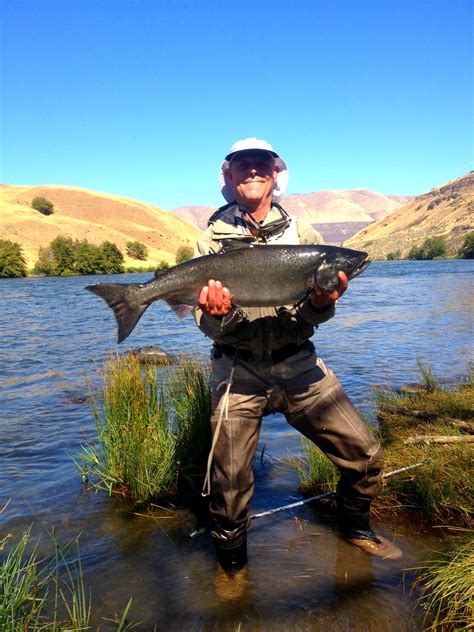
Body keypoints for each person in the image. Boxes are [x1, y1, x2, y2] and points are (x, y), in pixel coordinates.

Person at [193, 138, 402, 574]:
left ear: (275, 176)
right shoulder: (209, 242)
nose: (253, 172)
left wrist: (323, 303)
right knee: (228, 485)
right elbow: (205, 322)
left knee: (366, 456)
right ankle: (232, 568)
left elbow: (315, 315)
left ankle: (356, 530)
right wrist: (221, 315)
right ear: (228, 177)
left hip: (299, 363)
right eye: (242, 165)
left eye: (262, 166)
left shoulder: (305, 237)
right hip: (237, 368)